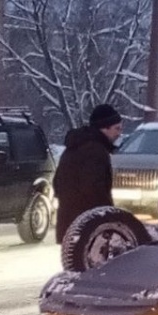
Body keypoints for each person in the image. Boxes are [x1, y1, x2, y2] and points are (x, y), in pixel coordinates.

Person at [53, 103, 122, 243]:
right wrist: (108, 221)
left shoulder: (74, 147)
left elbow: (57, 183)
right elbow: (95, 191)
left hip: (70, 223)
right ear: (105, 127)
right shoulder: (95, 151)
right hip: (88, 228)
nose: (119, 133)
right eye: (117, 128)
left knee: (74, 264)